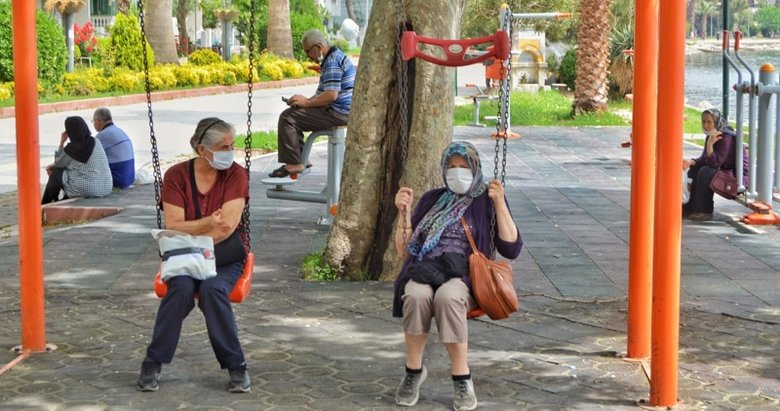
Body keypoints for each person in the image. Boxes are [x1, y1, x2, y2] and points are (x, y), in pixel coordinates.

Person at [391, 141, 523, 410]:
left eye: (464, 167)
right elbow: (405, 251)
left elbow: (511, 248)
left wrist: (499, 203)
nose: (457, 172)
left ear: (475, 168)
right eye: (451, 167)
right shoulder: (431, 199)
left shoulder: (486, 199)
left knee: (448, 297)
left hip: (464, 274)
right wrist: (403, 213)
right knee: (415, 294)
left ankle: (462, 377)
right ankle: (413, 371)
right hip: (426, 268)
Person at [137, 117, 251, 393]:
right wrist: (206, 224)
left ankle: (236, 366)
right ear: (203, 150)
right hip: (185, 256)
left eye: (232, 145)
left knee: (213, 290)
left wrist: (195, 231)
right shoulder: (176, 175)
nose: (230, 151)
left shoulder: (236, 175)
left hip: (224, 256)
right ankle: (153, 361)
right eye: (224, 146)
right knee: (181, 289)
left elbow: (228, 226)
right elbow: (173, 226)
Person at [268, 28, 356, 178]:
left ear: (318, 48)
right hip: (340, 110)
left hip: (338, 112)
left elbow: (331, 95)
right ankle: (302, 160)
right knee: (294, 114)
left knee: (288, 118)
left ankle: (294, 163)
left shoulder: (333, 61)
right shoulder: (334, 57)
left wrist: (306, 103)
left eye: (308, 51)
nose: (308, 56)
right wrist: (303, 102)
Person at [682, 108, 748, 221]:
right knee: (694, 169)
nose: (706, 125)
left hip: (736, 179)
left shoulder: (726, 137)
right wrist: (692, 161)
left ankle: (704, 210)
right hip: (724, 173)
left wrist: (709, 146)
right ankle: (690, 207)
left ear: (716, 122)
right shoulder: (712, 134)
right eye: (703, 122)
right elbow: (705, 159)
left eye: (709, 122)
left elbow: (715, 163)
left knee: (705, 172)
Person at [42, 116, 113, 204]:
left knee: (55, 171)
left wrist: (61, 142)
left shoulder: (71, 149)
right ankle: (59, 200)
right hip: (105, 187)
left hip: (88, 190)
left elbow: (58, 163)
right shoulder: (96, 141)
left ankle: (45, 203)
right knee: (71, 171)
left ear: (69, 131)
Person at [92, 107, 135, 189]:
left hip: (117, 180)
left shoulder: (102, 135)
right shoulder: (119, 131)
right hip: (129, 178)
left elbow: (88, 156)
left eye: (94, 121)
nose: (93, 124)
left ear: (99, 121)